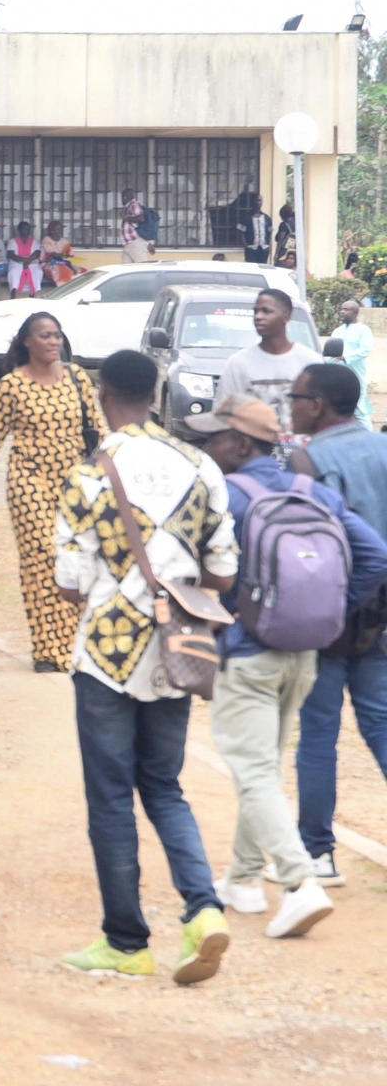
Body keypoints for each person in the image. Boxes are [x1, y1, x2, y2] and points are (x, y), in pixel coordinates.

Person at [47, 348, 235, 983]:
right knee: (165, 786)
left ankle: (126, 942)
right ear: (157, 392)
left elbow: (69, 583)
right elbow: (223, 571)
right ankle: (204, 911)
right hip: (177, 651)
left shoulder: (89, 474)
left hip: (105, 655)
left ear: (102, 394)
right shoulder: (201, 464)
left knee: (110, 799)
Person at [189, 392, 387, 940]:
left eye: (216, 436)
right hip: (304, 655)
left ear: (241, 442)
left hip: (248, 653)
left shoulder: (227, 494)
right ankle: (245, 880)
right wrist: (331, 611)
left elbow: (194, 567)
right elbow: (374, 556)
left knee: (253, 770)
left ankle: (301, 883)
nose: (209, 445)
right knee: (265, 768)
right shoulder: (311, 490)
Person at [0, 310, 104, 670]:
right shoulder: (12, 386)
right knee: (41, 562)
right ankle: (48, 651)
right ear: (27, 342)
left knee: (76, 563)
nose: (52, 342)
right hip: (28, 483)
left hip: (75, 487)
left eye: (56, 335)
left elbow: (99, 434)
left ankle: (72, 648)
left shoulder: (77, 379)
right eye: (45, 335)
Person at [290, 361, 387, 886]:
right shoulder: (384, 448)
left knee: (319, 735)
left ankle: (318, 854)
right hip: (383, 617)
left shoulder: (306, 461)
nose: (291, 403)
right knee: (382, 724)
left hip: (330, 616)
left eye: (296, 396)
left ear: (318, 405)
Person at [217, 287, 321, 440]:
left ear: (286, 317)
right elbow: (223, 418)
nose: (258, 317)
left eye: (266, 311)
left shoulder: (311, 362)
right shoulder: (238, 363)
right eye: (256, 311)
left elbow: (321, 416)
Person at [333, 297, 373, 427]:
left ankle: (370, 438)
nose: (342, 312)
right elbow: (330, 354)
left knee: (360, 410)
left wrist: (345, 356)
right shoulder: (337, 331)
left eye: (346, 309)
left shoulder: (363, 330)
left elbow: (365, 350)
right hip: (338, 377)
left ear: (355, 313)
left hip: (356, 376)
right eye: (341, 309)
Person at [6, 220, 42, 297]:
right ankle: (13, 294)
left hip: (32, 262)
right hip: (17, 262)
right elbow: (11, 254)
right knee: (13, 272)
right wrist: (23, 260)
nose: (28, 231)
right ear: (20, 230)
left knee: (37, 272)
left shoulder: (34, 241)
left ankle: (32, 294)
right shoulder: (13, 241)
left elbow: (37, 252)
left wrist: (28, 261)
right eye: (25, 229)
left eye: (28, 229)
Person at [39, 219, 77, 287]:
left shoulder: (64, 241)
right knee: (62, 271)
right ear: (52, 231)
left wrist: (70, 261)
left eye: (61, 229)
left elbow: (70, 255)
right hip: (49, 263)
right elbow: (53, 255)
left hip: (64, 263)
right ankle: (63, 290)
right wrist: (65, 256)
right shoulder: (47, 240)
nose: (61, 231)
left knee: (82, 271)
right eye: (58, 229)